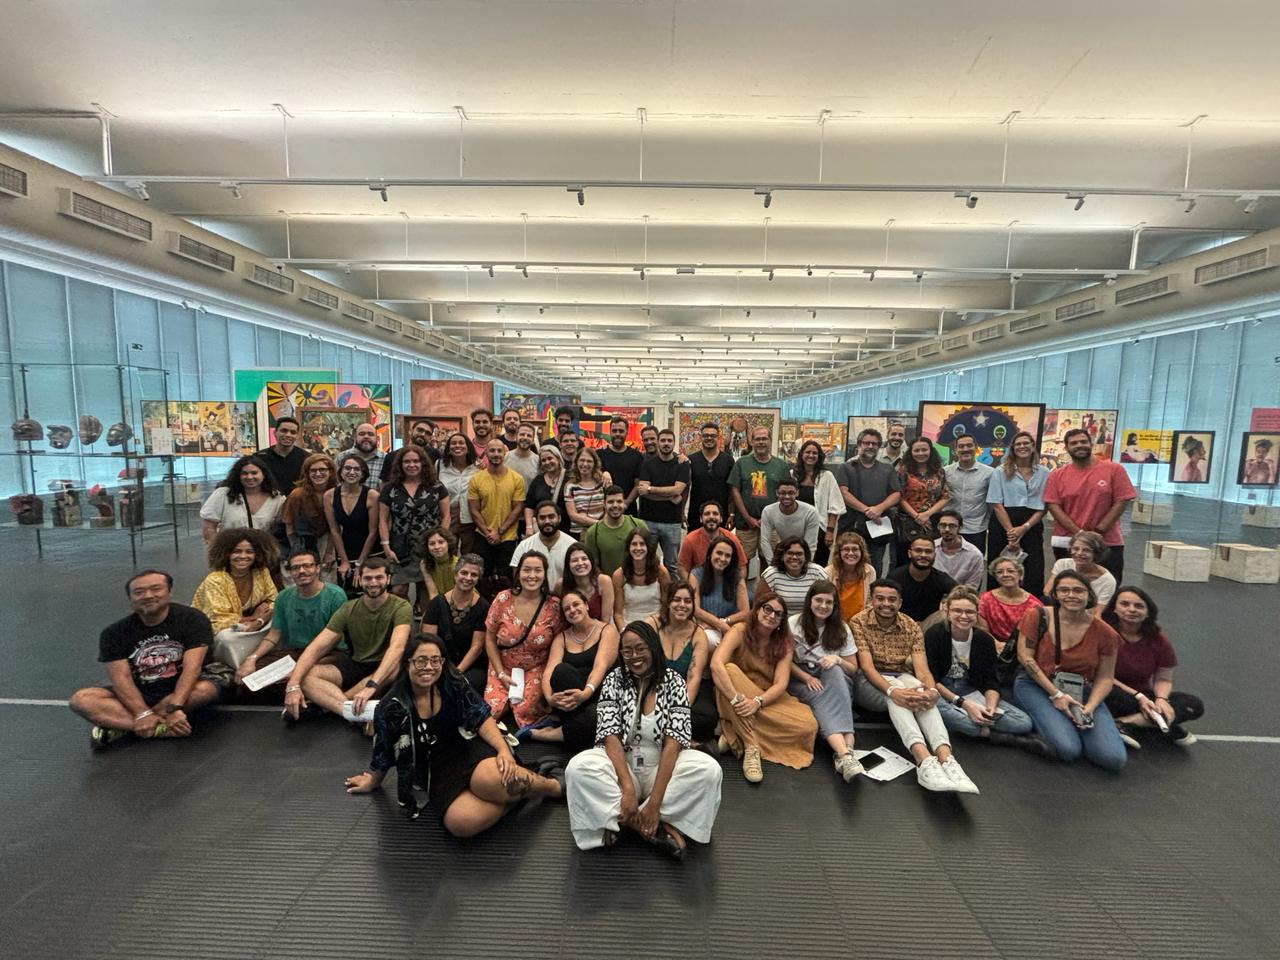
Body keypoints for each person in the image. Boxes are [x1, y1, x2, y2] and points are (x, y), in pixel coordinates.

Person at [345, 635, 564, 834]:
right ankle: (520, 792)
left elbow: (481, 718)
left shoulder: (453, 684)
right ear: (407, 663)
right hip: (436, 770)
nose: (428, 667)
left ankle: (551, 786)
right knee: (461, 824)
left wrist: (503, 751)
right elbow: (384, 749)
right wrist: (373, 781)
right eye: (421, 660)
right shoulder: (390, 706)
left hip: (468, 748)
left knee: (492, 780)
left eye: (435, 660)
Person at [565, 621, 723, 857]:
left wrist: (656, 801)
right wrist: (627, 789)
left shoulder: (674, 682)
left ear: (653, 648)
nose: (634, 656)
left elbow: (673, 745)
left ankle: (622, 819)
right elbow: (610, 736)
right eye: (626, 651)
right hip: (622, 766)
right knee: (577, 769)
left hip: (661, 765)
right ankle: (646, 825)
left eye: (640, 649)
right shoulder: (614, 679)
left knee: (709, 771)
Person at [849, 579, 979, 793]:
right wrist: (893, 691)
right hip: (868, 682)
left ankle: (946, 758)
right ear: (871, 600)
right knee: (898, 695)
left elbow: (922, 668)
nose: (886, 603)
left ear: (900, 602)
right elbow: (867, 667)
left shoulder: (911, 626)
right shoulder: (858, 622)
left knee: (920, 692)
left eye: (892, 599)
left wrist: (932, 691)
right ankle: (923, 760)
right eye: (880, 598)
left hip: (901, 675)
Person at [70, 570, 220, 749]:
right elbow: (121, 679)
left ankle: (121, 726)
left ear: (169, 592)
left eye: (156, 589)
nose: (148, 596)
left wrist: (175, 707)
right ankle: (159, 728)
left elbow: (192, 668)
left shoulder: (193, 619)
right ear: (131, 599)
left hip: (179, 689)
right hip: (140, 691)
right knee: (81, 700)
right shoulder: (113, 633)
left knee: (206, 689)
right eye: (139, 592)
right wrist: (141, 713)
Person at [1012, 570, 1126, 770]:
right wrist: (1056, 695)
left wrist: (1090, 707)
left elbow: (1106, 678)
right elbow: (1025, 657)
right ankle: (1041, 726)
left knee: (1113, 758)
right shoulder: (1037, 615)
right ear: (1055, 595)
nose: (1071, 595)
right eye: (1064, 590)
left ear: (1090, 595)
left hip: (1080, 689)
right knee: (1068, 749)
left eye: (1078, 590)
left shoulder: (1105, 633)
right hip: (1036, 685)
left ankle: (1072, 723)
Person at [282, 559, 413, 724]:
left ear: (388, 579)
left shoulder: (401, 606)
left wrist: (371, 686)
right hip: (357, 663)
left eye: (379, 578)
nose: (373, 583)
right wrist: (293, 685)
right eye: (368, 578)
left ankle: (324, 706)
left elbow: (397, 648)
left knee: (394, 668)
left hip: (386, 665)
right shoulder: (348, 608)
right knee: (305, 676)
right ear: (360, 579)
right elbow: (318, 646)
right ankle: (349, 712)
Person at [712, 594, 818, 783]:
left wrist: (757, 703)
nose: (771, 616)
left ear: (781, 621)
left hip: (764, 698)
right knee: (729, 670)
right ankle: (751, 745)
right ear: (758, 610)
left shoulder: (784, 642)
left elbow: (780, 684)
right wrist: (737, 699)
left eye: (778, 614)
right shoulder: (739, 630)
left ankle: (732, 731)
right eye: (767, 609)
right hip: (733, 692)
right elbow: (716, 664)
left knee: (809, 726)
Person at [926, 587, 1037, 746]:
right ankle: (987, 733)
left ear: (977, 613)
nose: (964, 616)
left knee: (1023, 722)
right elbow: (931, 679)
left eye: (970, 612)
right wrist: (964, 704)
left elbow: (991, 681)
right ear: (948, 612)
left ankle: (970, 726)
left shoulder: (984, 640)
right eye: (957, 611)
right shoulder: (934, 634)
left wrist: (990, 709)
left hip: (970, 689)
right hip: (943, 690)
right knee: (929, 705)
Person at [1100, 587, 1203, 747]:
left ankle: (1126, 724)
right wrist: (1139, 697)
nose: (1131, 609)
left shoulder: (1159, 641)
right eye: (1125, 604)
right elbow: (1102, 676)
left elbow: (1163, 678)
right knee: (1109, 691)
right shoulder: (1103, 634)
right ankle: (1161, 725)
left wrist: (1161, 700)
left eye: (1139, 606)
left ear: (1148, 612)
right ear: (1114, 608)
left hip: (1144, 698)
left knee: (1193, 704)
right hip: (1114, 693)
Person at [787, 581, 865, 782]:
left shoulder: (842, 628)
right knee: (823, 698)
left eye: (828, 602)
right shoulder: (793, 623)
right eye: (818, 600)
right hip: (800, 677)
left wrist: (837, 659)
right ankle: (847, 752)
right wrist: (807, 677)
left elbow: (853, 668)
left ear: (834, 605)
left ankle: (844, 756)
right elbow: (784, 663)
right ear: (809, 601)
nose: (823, 606)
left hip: (831, 676)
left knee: (836, 673)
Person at [234, 549, 348, 684]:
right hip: (295, 652)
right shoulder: (283, 597)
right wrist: (251, 658)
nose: (301, 571)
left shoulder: (335, 595)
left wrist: (302, 665)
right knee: (248, 678)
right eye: (295, 568)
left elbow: (334, 639)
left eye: (307, 566)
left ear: (317, 568)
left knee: (298, 678)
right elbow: (273, 635)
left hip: (329, 653)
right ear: (290, 572)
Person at [482, 551, 563, 731]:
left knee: (528, 710)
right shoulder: (503, 598)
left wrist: (549, 674)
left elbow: (559, 643)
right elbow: (489, 639)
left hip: (536, 666)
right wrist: (501, 673)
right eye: (527, 570)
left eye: (537, 570)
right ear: (518, 573)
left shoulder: (554, 606)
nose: (532, 576)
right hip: (503, 665)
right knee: (491, 711)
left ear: (545, 574)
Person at [1044, 427, 1136, 582]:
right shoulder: (1056, 475)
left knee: (1108, 589)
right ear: (1066, 448)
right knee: (1068, 588)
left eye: (1083, 441)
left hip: (1106, 542)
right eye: (1074, 443)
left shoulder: (1114, 470)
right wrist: (1080, 534)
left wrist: (1098, 531)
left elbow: (1122, 500)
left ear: (1091, 443)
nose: (1079, 445)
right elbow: (1053, 506)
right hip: (1068, 541)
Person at [539, 589, 620, 750]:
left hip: (598, 694)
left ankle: (553, 734)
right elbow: (549, 671)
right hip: (572, 699)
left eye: (576, 604)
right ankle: (577, 728)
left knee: (594, 716)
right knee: (562, 671)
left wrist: (585, 694)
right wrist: (549, 698)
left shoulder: (607, 630)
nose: (572, 610)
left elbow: (600, 666)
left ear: (586, 606)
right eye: (567, 609)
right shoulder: (561, 638)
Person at [191, 527, 279, 669]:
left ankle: (258, 657)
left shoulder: (261, 572)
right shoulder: (216, 579)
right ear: (226, 554)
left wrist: (259, 621)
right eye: (237, 551)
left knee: (280, 623)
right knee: (227, 638)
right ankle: (238, 667)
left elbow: (276, 601)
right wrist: (255, 618)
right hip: (225, 630)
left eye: (249, 552)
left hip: (256, 625)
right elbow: (219, 619)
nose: (243, 556)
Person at [379, 445, 450, 612]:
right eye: (407, 461)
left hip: (428, 546)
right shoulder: (390, 488)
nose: (412, 465)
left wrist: (441, 540)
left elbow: (446, 516)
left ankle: (425, 626)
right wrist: (386, 546)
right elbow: (383, 519)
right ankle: (402, 622)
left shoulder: (436, 486)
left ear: (423, 463)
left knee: (426, 588)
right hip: (400, 546)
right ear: (400, 464)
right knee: (398, 590)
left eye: (416, 461)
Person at [645, 581, 716, 744]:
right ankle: (684, 740)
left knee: (707, 717)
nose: (682, 605)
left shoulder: (698, 635)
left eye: (687, 601)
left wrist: (680, 711)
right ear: (668, 602)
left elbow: (694, 677)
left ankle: (665, 736)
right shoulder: (652, 625)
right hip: (653, 687)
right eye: (677, 600)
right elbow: (641, 668)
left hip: (683, 688)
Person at [986, 429, 1050, 591]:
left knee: (1034, 569)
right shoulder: (1000, 471)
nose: (1022, 447)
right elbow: (996, 504)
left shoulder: (1044, 473)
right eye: (1018, 444)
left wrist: (1024, 528)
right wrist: (1012, 533)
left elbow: (1043, 506)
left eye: (1026, 443)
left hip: (1032, 525)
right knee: (999, 567)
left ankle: (1032, 608)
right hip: (1003, 524)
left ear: (1033, 446)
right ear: (1013, 448)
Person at [836, 428, 902, 576]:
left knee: (874, 566)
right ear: (859, 445)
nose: (870, 446)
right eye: (866, 443)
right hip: (850, 524)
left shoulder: (887, 469)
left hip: (877, 526)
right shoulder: (846, 468)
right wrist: (867, 510)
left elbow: (896, 494)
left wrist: (879, 508)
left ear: (879, 447)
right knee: (846, 563)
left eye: (874, 444)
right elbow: (843, 493)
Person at [421, 554, 490, 693]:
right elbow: (428, 642)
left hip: (470, 666)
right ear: (455, 574)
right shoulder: (437, 604)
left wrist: (456, 673)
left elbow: (476, 648)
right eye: (464, 573)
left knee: (461, 688)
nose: (468, 578)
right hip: (438, 662)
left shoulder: (483, 607)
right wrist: (438, 668)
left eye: (474, 575)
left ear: (478, 579)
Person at [467, 438, 527, 595]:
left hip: (507, 537)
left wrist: (499, 532)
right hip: (482, 536)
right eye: (492, 450)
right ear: (486, 453)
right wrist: (488, 533)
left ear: (505, 453)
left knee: (505, 579)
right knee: (481, 578)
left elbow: (518, 508)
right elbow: (474, 510)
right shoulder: (476, 479)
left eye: (499, 451)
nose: (495, 454)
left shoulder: (517, 479)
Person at [726, 426, 790, 571]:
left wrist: (768, 518)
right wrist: (747, 517)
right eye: (757, 439)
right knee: (742, 562)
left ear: (770, 441)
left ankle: (764, 593)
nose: (761, 442)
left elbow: (786, 493)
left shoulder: (781, 466)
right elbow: (734, 490)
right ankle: (742, 591)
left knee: (769, 562)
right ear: (752, 442)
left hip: (773, 524)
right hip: (745, 524)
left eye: (764, 439)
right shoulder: (741, 463)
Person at [636, 427, 691, 576]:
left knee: (672, 565)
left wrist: (651, 489)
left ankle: (671, 596)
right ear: (658, 443)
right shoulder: (648, 464)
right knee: (647, 562)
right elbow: (642, 492)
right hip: (648, 521)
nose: (666, 443)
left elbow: (678, 490)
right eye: (663, 440)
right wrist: (670, 495)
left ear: (674, 443)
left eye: (669, 440)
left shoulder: (682, 464)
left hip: (672, 522)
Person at [324, 453, 381, 589]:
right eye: (347, 468)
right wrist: (344, 561)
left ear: (363, 474)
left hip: (371, 550)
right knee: (348, 590)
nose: (352, 472)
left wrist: (360, 563)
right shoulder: (329, 495)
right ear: (341, 472)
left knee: (370, 588)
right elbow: (334, 530)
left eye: (357, 469)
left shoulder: (372, 496)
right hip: (346, 549)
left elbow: (373, 531)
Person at [199, 455, 286, 542]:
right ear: (238, 476)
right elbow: (209, 527)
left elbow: (282, 530)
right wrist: (218, 552)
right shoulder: (223, 494)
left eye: (254, 473)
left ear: (264, 474)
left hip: (264, 553)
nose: (249, 477)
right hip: (230, 552)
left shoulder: (277, 499)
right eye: (244, 473)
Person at [897, 437, 950, 564]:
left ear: (931, 450)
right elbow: (899, 497)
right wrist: (916, 516)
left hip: (932, 521)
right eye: (917, 450)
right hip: (907, 522)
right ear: (911, 452)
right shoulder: (903, 471)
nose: (920, 453)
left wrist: (927, 514)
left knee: (929, 558)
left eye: (924, 450)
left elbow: (945, 496)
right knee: (905, 559)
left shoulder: (939, 471)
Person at [792, 440, 846, 566]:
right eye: (808, 452)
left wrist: (830, 531)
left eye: (815, 453)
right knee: (797, 561)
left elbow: (835, 506)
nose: (811, 455)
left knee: (818, 564)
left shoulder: (827, 476)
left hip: (820, 529)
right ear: (801, 454)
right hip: (796, 528)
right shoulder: (793, 475)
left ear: (819, 456)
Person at [690, 535, 751, 642]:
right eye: (719, 553)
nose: (722, 559)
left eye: (727, 556)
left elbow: (745, 612)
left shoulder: (737, 577)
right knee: (709, 640)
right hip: (706, 625)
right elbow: (695, 609)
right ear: (710, 554)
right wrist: (719, 624)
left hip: (732, 625)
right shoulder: (696, 574)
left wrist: (723, 622)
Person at [888, 536, 958, 626]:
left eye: (928, 552)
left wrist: (947, 605)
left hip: (930, 627)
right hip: (899, 625)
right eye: (918, 550)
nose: (923, 555)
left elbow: (963, 594)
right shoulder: (895, 577)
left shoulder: (941, 578)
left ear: (934, 555)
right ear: (909, 553)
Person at [943, 434, 995, 554]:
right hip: (950, 528)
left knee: (974, 566)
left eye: (969, 445)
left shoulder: (989, 473)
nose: (965, 449)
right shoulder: (945, 472)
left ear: (976, 448)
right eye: (961, 446)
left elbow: (993, 503)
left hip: (976, 529)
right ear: (956, 450)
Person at [612, 529, 671, 630]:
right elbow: (618, 614)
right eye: (634, 544)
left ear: (648, 547)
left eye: (642, 544)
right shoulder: (619, 575)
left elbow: (666, 608)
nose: (638, 548)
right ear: (628, 547)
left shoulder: (661, 572)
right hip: (629, 626)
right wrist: (624, 632)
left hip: (656, 624)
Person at [582, 486, 649, 575]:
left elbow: (650, 557)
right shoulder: (593, 533)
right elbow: (593, 565)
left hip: (637, 584)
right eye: (610, 502)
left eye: (619, 501)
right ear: (604, 504)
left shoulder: (638, 525)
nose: (615, 505)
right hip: (610, 585)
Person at [978, 555, 1043, 646]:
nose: (1005, 575)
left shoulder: (1034, 605)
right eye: (1000, 572)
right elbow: (983, 631)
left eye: (1011, 571)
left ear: (1020, 575)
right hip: (991, 646)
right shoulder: (985, 599)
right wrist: (997, 645)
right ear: (996, 577)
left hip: (1023, 647)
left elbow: (1035, 636)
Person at [282, 453, 336, 562]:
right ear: (307, 473)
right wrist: (297, 553)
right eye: (313, 470)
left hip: (330, 543)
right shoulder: (297, 495)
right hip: (303, 543)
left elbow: (335, 528)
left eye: (322, 470)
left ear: (330, 472)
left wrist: (329, 553)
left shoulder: (336, 493)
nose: (318, 474)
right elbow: (289, 528)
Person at [676, 501, 747, 581]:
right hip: (700, 584)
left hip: (726, 583)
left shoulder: (732, 539)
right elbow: (682, 568)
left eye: (715, 513)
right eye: (707, 514)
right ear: (701, 519)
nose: (711, 517)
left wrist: (736, 586)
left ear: (721, 519)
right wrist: (693, 587)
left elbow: (742, 567)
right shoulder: (690, 539)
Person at [510, 500, 577, 585]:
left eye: (551, 517)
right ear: (536, 520)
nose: (547, 521)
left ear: (559, 518)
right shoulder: (524, 546)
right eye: (542, 518)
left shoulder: (572, 545)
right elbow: (517, 580)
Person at [1045, 530, 1116, 609]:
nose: (1079, 553)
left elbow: (1098, 611)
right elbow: (1047, 591)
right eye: (1075, 549)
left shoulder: (1108, 581)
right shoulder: (1062, 564)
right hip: (1059, 607)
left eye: (1086, 550)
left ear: (1096, 553)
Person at [757, 536, 830, 612]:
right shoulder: (771, 574)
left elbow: (829, 600)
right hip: (780, 621)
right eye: (790, 553)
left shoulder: (818, 572)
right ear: (782, 555)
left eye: (799, 554)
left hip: (810, 621)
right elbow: (759, 605)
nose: (794, 557)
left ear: (806, 556)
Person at [686, 421, 735, 532]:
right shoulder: (691, 460)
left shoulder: (728, 460)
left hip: (721, 515)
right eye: (705, 435)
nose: (709, 438)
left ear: (718, 438)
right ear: (700, 438)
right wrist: (681, 513)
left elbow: (732, 490)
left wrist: (732, 514)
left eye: (713, 436)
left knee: (720, 546)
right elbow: (685, 488)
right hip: (696, 515)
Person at [759, 477, 821, 561]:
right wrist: (772, 564)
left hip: (803, 551)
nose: (787, 496)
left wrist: (805, 565)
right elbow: (764, 541)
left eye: (791, 493)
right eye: (783, 493)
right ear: (777, 493)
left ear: (797, 493)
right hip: (783, 549)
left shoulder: (811, 512)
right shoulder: (768, 511)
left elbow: (811, 545)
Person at [437, 432, 480, 551]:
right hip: (447, 516)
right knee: (448, 552)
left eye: (461, 443)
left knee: (469, 552)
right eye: (453, 443)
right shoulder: (439, 466)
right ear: (448, 448)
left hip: (470, 517)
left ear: (468, 448)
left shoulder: (477, 467)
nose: (457, 446)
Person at [556, 542, 616, 624]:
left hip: (601, 631)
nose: (580, 563)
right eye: (574, 560)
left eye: (584, 559)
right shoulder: (561, 585)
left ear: (591, 561)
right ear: (568, 565)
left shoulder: (604, 581)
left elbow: (605, 620)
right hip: (571, 632)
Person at [597, 415, 645, 513]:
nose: (617, 434)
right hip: (604, 510)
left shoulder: (636, 456)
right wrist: (602, 473)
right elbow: (591, 476)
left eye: (621, 431)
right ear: (610, 432)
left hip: (628, 509)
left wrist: (626, 503)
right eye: (614, 431)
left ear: (626, 432)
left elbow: (638, 484)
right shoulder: (599, 454)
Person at [826, 531, 875, 622]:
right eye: (846, 549)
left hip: (860, 623)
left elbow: (870, 602)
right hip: (834, 623)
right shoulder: (828, 572)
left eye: (855, 549)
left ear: (862, 552)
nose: (851, 553)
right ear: (839, 552)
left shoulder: (869, 571)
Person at [931, 508, 986, 591]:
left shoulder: (974, 554)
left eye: (952, 526)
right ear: (938, 527)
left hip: (961, 599)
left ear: (960, 528)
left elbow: (972, 587)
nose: (947, 529)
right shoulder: (930, 548)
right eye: (943, 525)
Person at [523, 442, 570, 534]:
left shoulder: (569, 478)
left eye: (550, 458)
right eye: (543, 460)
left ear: (558, 458)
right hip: (542, 530)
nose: (547, 462)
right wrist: (529, 527)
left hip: (565, 531)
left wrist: (606, 474)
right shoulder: (538, 480)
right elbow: (529, 505)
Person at [564, 446, 610, 536]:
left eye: (589, 461)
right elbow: (573, 515)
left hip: (600, 533)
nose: (585, 464)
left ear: (595, 464)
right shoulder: (570, 486)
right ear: (576, 462)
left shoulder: (603, 482)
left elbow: (609, 507)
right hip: (578, 534)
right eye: (582, 460)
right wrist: (598, 524)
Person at [255, 415, 307, 493]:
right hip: (269, 501)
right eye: (284, 431)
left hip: (297, 503)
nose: (288, 435)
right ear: (275, 433)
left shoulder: (306, 458)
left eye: (293, 432)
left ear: (297, 436)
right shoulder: (259, 458)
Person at [336, 422, 386, 490]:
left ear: (377, 439)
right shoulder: (342, 457)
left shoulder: (386, 459)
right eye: (362, 434)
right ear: (355, 438)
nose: (366, 437)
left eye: (370, 434)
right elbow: (336, 484)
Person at [419, 525, 459, 601]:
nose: (436, 547)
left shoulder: (458, 564)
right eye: (432, 544)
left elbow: (459, 594)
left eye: (441, 542)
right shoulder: (424, 564)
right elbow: (433, 593)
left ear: (448, 543)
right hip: (441, 602)